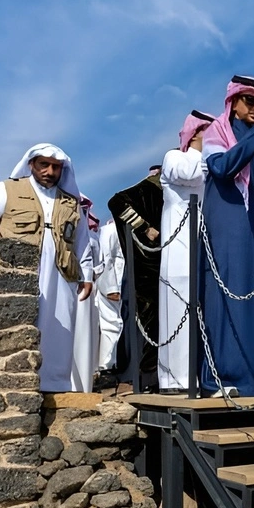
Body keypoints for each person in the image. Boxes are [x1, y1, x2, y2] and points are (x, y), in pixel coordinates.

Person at [197, 75, 254, 397]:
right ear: (233, 102)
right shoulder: (217, 132)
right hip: (229, 232)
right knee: (225, 302)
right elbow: (222, 168)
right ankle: (220, 379)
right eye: (249, 101)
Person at [0, 144, 95, 392]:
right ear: (32, 165)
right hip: (22, 272)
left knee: (61, 328)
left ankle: (56, 384)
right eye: (44, 165)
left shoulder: (71, 202)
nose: (49, 171)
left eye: (55, 167)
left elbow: (82, 241)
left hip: (62, 274)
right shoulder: (8, 189)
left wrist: (88, 274)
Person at [157, 111, 212, 391]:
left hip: (207, 242)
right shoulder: (175, 157)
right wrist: (208, 152)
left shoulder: (209, 162)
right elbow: (189, 174)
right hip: (178, 244)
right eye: (209, 131)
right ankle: (175, 379)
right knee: (178, 305)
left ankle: (207, 376)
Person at [107, 165, 163, 387]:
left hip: (173, 266)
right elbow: (117, 203)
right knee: (142, 320)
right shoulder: (150, 188)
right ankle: (134, 377)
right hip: (144, 268)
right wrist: (145, 228)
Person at [70, 197, 102, 393]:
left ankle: (82, 387)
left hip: (86, 289)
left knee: (84, 336)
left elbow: (97, 263)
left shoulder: (92, 237)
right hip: (63, 285)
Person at [94, 216, 125, 376]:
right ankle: (108, 364)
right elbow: (106, 259)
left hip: (122, 283)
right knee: (111, 324)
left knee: (120, 324)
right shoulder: (110, 231)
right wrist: (111, 288)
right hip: (113, 285)